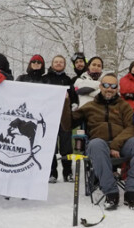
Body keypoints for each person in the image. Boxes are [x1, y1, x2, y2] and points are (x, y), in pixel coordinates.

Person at [72, 73, 134, 210]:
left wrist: (116, 145)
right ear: (100, 86)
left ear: (117, 89)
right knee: (96, 143)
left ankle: (132, 191)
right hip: (99, 145)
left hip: (120, 145)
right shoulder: (89, 106)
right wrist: (63, 106)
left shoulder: (123, 106)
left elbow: (132, 127)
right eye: (106, 85)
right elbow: (68, 124)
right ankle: (111, 192)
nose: (109, 89)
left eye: (113, 86)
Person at [43, 55, 79, 183]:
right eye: (56, 62)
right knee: (50, 145)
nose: (58, 64)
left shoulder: (68, 80)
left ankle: (68, 172)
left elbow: (74, 97)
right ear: (52, 64)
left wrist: (74, 103)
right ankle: (52, 173)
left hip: (64, 117)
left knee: (66, 146)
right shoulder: (45, 79)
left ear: (64, 65)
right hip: (49, 117)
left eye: (61, 62)